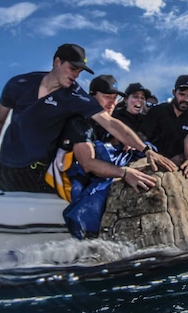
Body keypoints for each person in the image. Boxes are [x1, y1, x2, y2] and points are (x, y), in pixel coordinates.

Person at [0, 43, 174, 192]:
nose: (75, 75)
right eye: (72, 68)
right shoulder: (19, 84)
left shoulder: (75, 96)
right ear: (56, 62)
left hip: (38, 173)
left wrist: (144, 150)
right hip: (4, 167)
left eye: (79, 72)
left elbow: (111, 123)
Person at [51, 74, 164, 238]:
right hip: (73, 175)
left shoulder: (108, 120)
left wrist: (127, 144)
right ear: (92, 96)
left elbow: (118, 134)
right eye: (106, 97)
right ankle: (88, 232)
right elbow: (87, 163)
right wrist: (124, 172)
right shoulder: (80, 122)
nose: (112, 102)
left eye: (114, 98)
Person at [140, 74, 188, 166]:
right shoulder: (157, 111)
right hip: (152, 161)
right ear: (174, 92)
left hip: (179, 166)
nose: (186, 99)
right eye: (182, 94)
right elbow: (142, 136)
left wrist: (183, 157)